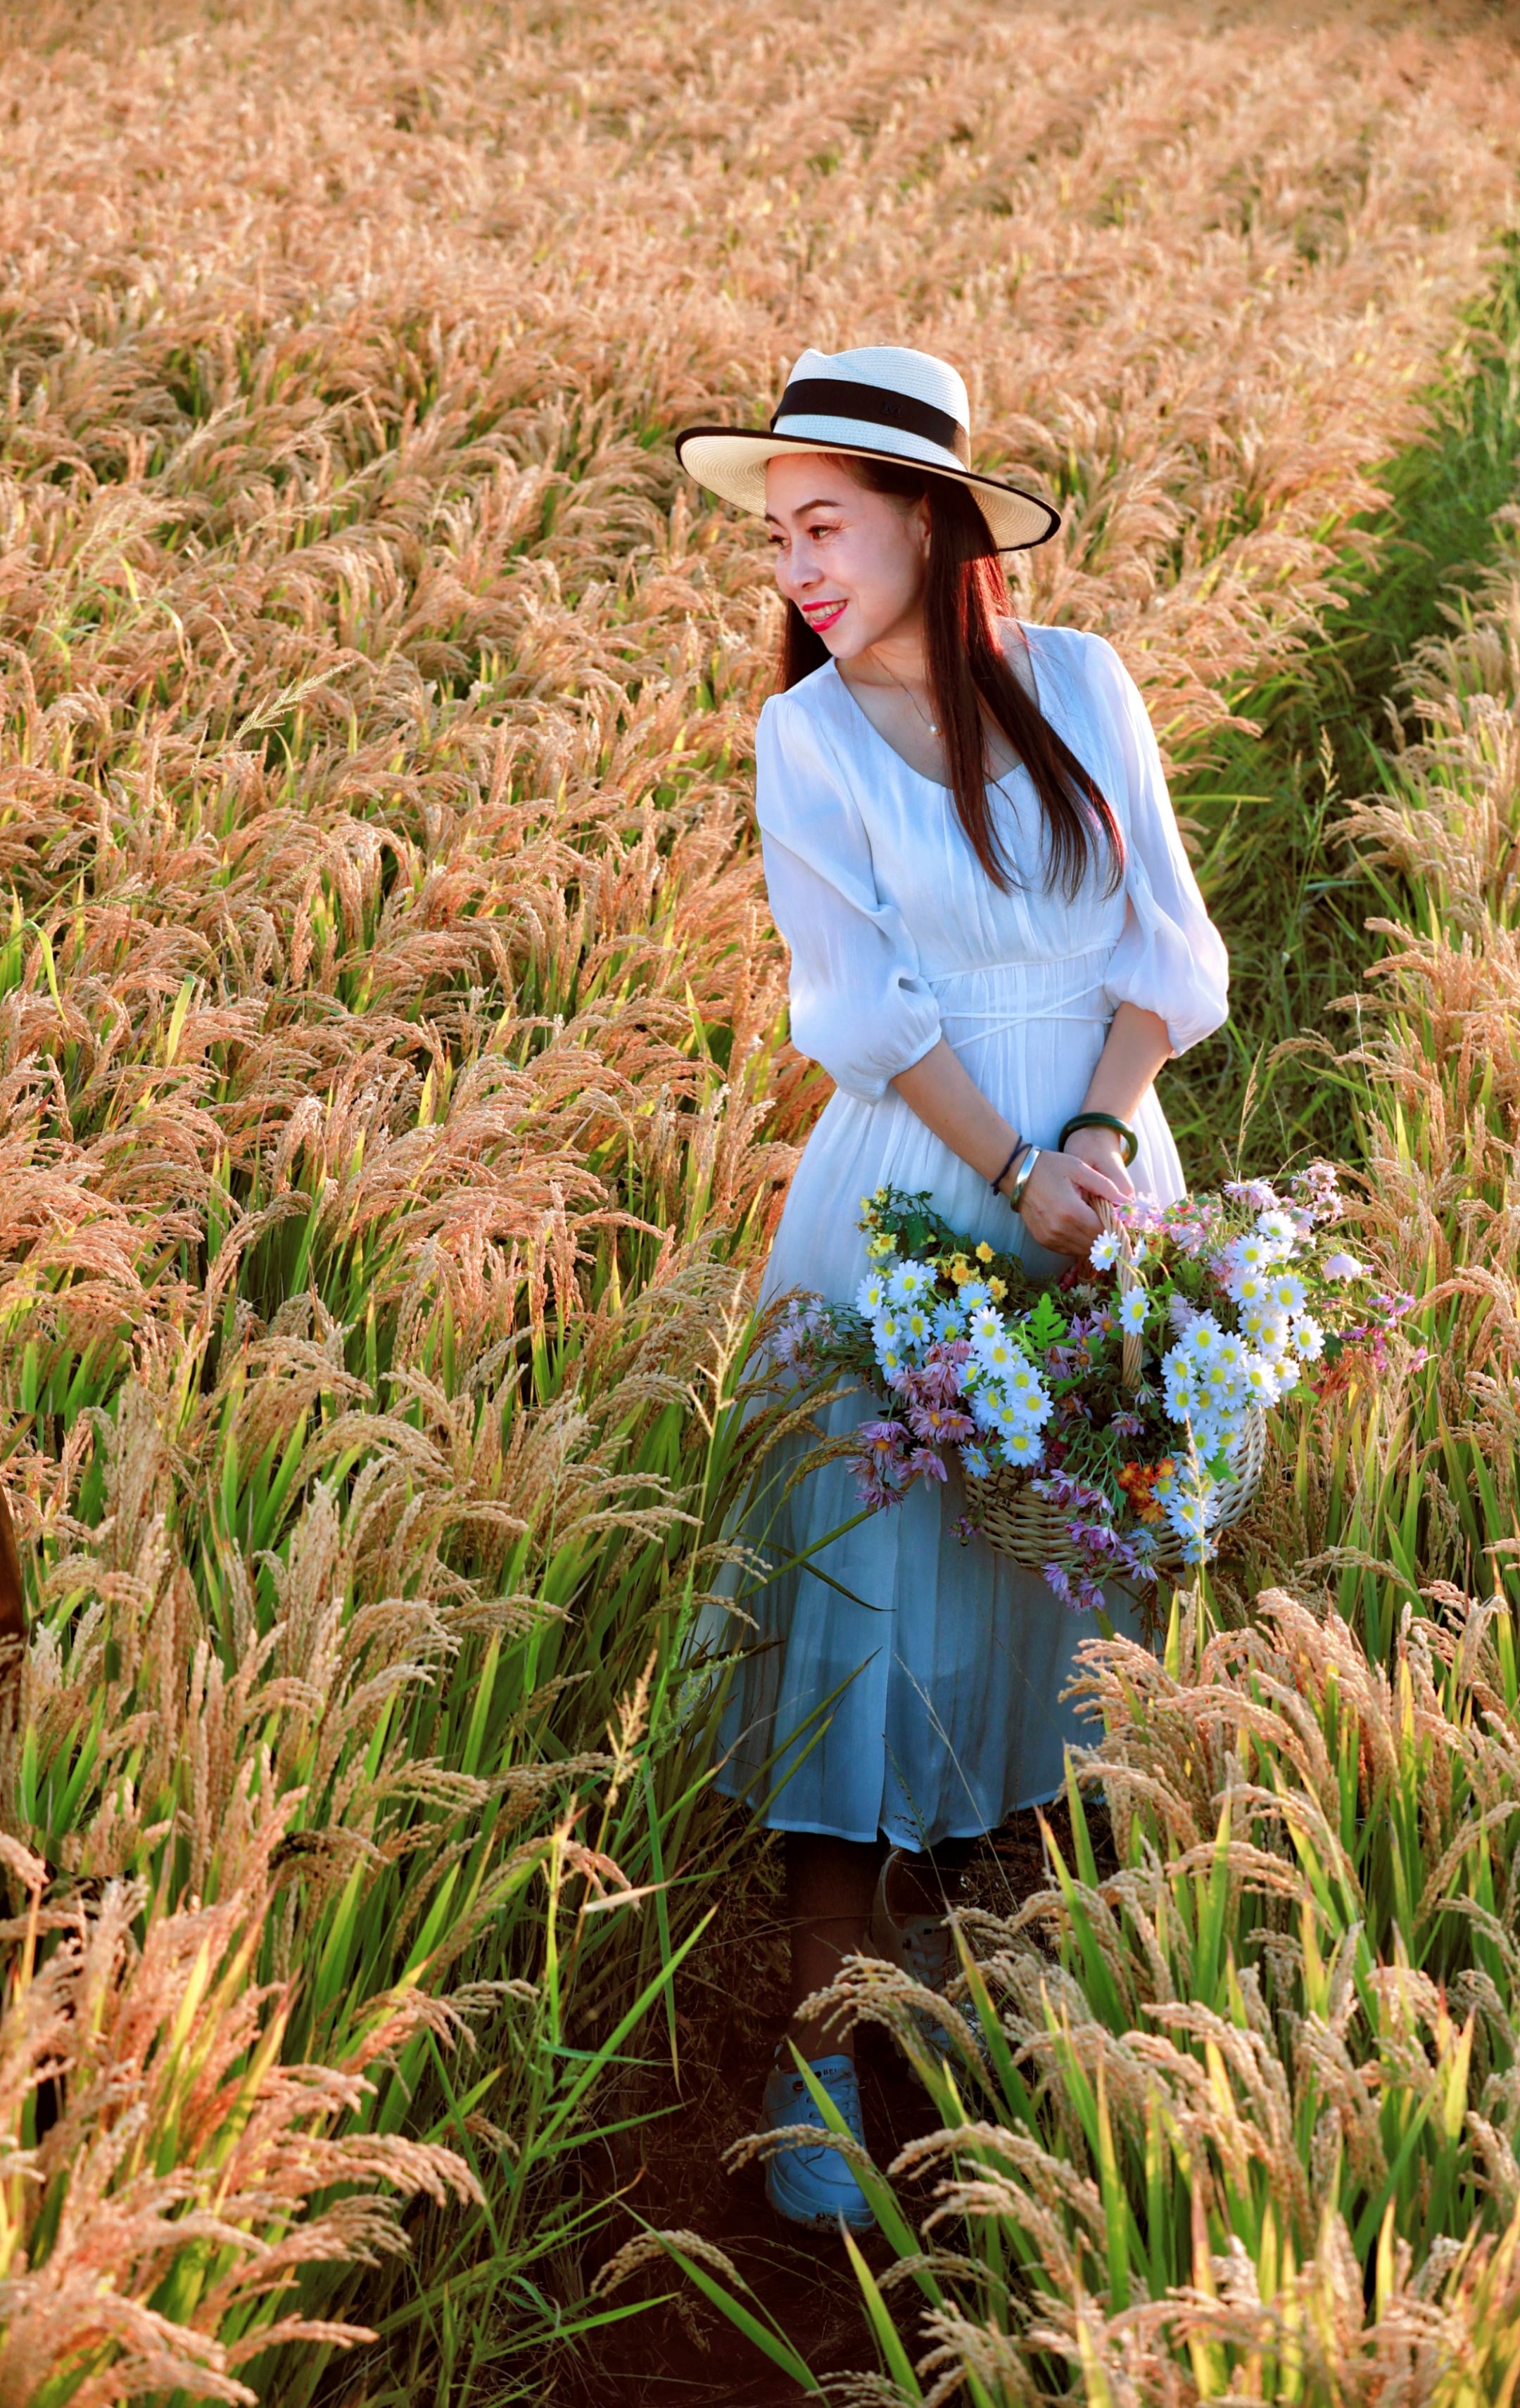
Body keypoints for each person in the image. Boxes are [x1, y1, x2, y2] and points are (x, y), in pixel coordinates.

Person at [675, 347, 1228, 2232]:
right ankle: (829, 2032)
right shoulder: (807, 737)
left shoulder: (1079, 683)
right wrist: (1011, 1169)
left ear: (932, 518)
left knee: (1072, 1568)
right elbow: (859, 1010)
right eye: (777, 536)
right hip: (919, 1172)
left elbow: (1168, 936)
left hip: (1095, 1160)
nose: (798, 568)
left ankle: (1040, 2009)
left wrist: (1097, 1136)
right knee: (870, 1585)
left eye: (825, 524)